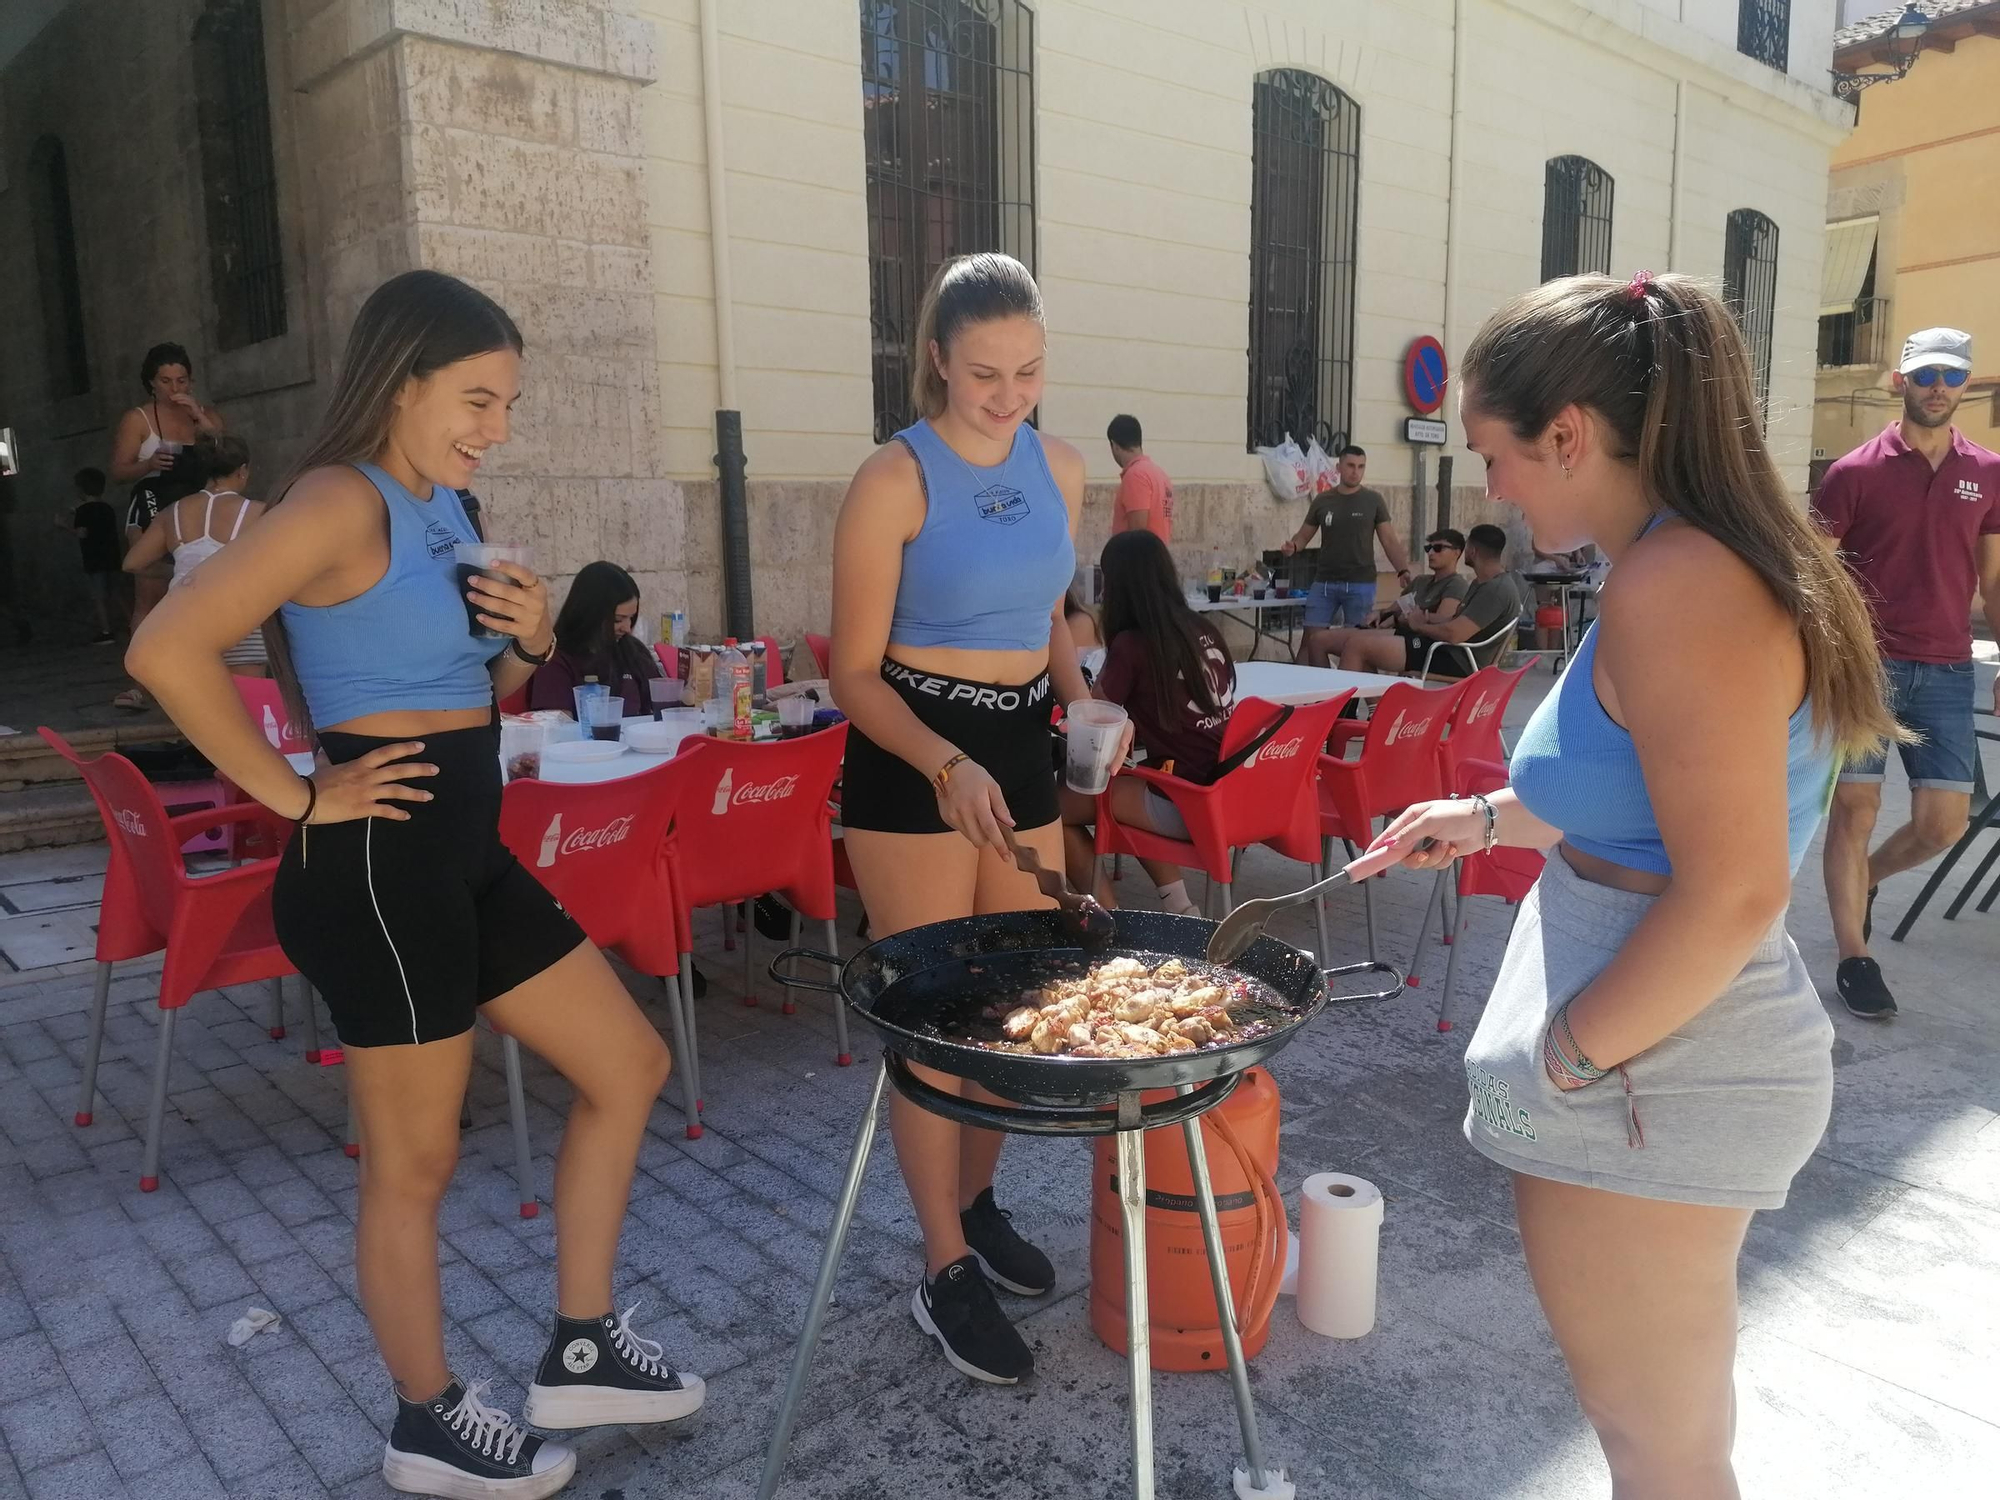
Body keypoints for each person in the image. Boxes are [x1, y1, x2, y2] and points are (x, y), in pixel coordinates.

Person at [126, 270, 703, 1499]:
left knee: (628, 1065)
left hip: (463, 852)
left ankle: (584, 1346)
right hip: (379, 867)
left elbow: (477, 699)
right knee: (414, 1165)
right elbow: (165, 647)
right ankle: (427, 1422)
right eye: (477, 398)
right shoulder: (338, 501)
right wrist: (295, 797)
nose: (495, 427)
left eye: (506, 403)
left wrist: (535, 638)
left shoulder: (445, 506)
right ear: (402, 381)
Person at [1377, 271, 1895, 1499]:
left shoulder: (1677, 585)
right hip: (1656, 1046)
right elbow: (1649, 787)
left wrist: (1565, 1057)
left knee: (1656, 1454)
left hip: (1658, 1055)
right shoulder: (1686, 562)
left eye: (1494, 453)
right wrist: (1484, 814)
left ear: (1569, 435)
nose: (1489, 487)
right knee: (1667, 1435)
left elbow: (1731, 892)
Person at [831, 251, 1111, 1387]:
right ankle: (940, 1264)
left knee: (1015, 1010)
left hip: (1019, 744)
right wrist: (944, 761)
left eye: (1028, 372)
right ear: (936, 359)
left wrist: (1080, 691)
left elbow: (1046, 609)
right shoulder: (891, 478)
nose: (1006, 394)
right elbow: (851, 673)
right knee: (935, 1025)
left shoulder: (1062, 465)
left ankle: (977, 1198)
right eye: (983, 372)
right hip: (911, 755)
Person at [1812, 325, 2000, 1020]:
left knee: (1943, 825)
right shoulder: (1854, 472)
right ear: (1901, 381)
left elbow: (1994, 580)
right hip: (1867, 670)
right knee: (1854, 811)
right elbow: (1817, 574)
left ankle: (1867, 882)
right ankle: (1854, 957)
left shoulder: (1988, 471)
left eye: (1951, 375)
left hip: (1949, 670)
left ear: (1967, 383)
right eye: (1925, 375)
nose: (1938, 387)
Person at [1059, 529, 1234, 917]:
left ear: (1118, 584)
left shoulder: (1134, 645)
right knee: (1133, 782)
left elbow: (1093, 721)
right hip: (1225, 795)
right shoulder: (1203, 628)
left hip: (1184, 802)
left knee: (1052, 810)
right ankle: (1180, 907)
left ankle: (1110, 918)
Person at [109, 343, 225, 707]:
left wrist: (202, 420)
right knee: (150, 593)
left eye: (182, 380)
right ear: (151, 384)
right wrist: (147, 464)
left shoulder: (202, 415)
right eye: (166, 381)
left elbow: (228, 454)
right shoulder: (138, 419)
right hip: (152, 504)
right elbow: (118, 470)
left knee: (202, 591)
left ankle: (200, 675)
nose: (175, 388)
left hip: (194, 507)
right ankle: (141, 685)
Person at [122, 435, 269, 675]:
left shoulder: (173, 512)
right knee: (249, 703)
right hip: (239, 615)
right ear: (242, 470)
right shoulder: (257, 512)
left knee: (199, 704)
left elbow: (132, 563)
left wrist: (177, 570)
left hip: (185, 616)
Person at [1278, 443, 1413, 648]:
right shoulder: (1323, 500)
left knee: (1356, 643)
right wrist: (1293, 546)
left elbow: (1389, 540)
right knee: (1312, 641)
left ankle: (1354, 679)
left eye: (1361, 466)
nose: (1355, 472)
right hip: (1324, 582)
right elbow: (1304, 535)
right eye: (1350, 465)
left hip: (1360, 583)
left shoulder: (1373, 500)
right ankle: (1313, 679)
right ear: (1338, 467)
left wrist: (1402, 570)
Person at [1301, 526, 1467, 670]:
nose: (1431, 553)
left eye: (1438, 548)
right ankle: (1324, 699)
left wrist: (1404, 619)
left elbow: (1442, 621)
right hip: (1393, 631)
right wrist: (1380, 614)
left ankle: (1348, 704)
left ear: (1456, 553)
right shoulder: (1421, 581)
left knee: (1356, 645)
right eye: (1428, 548)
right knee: (1317, 640)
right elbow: (1397, 608)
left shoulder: (1455, 584)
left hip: (1417, 642)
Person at [1393, 523, 1528, 678]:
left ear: (1472, 551)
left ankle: (1379, 702)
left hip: (1458, 660)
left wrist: (1419, 626)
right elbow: (1456, 620)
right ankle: (1380, 702)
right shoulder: (1482, 582)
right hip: (1445, 650)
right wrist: (1426, 619)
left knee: (1366, 646)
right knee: (1374, 640)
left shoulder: (1495, 590)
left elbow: (1454, 634)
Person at [529, 561, 663, 717]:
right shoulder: (556, 659)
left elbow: (664, 707)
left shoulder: (633, 651)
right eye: (617, 620)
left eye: (631, 618)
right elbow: (555, 724)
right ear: (591, 616)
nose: (627, 628)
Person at [55, 466, 124, 643]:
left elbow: (82, 533)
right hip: (112, 555)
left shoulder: (83, 511)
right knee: (116, 592)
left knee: (99, 596)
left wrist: (64, 526)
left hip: (94, 557)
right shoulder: (107, 508)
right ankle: (134, 623)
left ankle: (106, 631)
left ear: (80, 489)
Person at [1106, 413, 1173, 541]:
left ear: (1114, 445)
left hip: (1139, 559)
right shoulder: (1160, 474)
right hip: (1157, 555)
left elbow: (1137, 535)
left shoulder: (1135, 476)